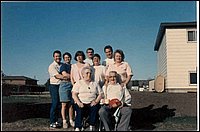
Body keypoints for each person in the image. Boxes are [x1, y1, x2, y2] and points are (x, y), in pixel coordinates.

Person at [72, 66, 103, 131]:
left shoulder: (95, 83)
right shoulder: (79, 83)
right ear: (83, 74)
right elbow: (74, 94)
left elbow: (100, 94)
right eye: (87, 73)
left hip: (92, 102)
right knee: (79, 110)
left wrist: (96, 101)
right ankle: (78, 127)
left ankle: (92, 125)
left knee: (94, 108)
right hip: (81, 102)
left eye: (90, 73)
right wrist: (79, 102)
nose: (89, 75)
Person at [48, 50, 64, 128]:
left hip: (61, 85)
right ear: (53, 57)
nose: (58, 57)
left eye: (59, 56)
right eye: (56, 56)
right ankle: (52, 122)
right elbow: (58, 76)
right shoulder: (52, 66)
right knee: (55, 104)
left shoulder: (62, 65)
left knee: (60, 104)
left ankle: (57, 120)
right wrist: (68, 77)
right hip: (54, 86)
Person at [59, 52, 74, 128]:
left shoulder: (73, 66)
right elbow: (64, 74)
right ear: (64, 59)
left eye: (68, 57)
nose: (67, 59)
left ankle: (71, 120)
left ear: (70, 58)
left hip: (72, 85)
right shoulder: (63, 66)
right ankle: (64, 120)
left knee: (71, 105)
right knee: (64, 104)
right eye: (65, 58)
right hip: (64, 85)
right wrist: (73, 76)